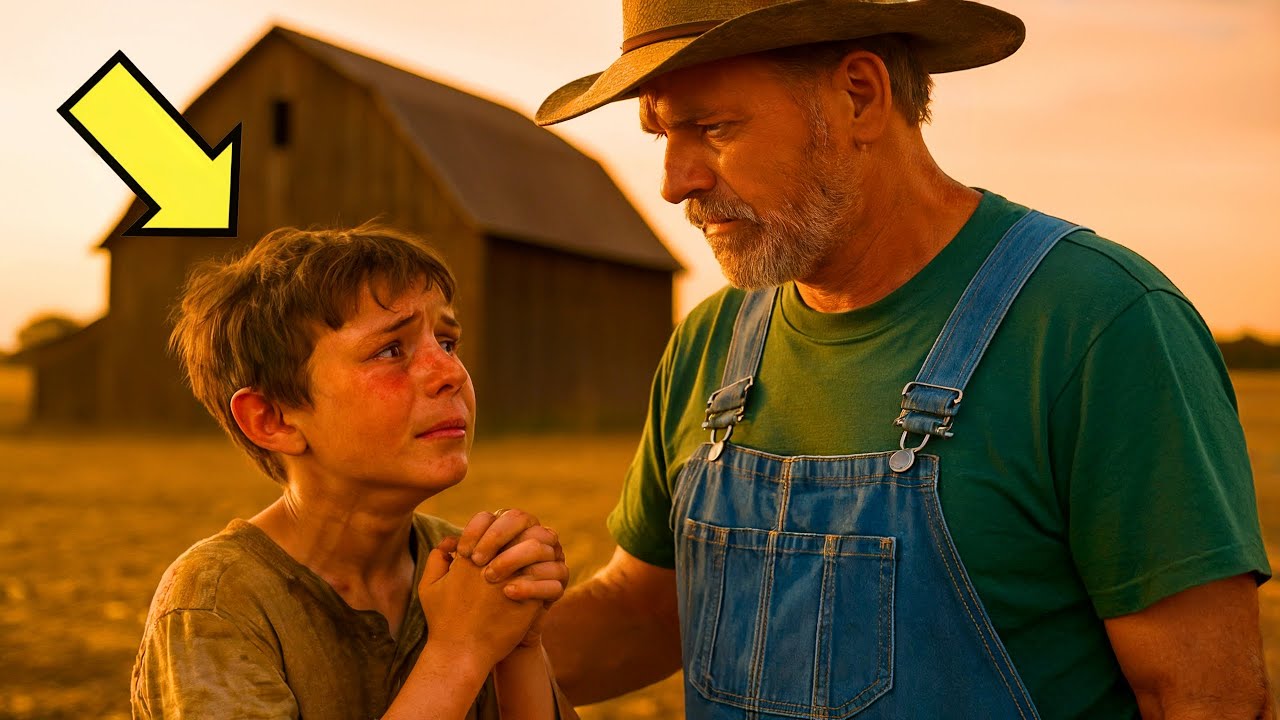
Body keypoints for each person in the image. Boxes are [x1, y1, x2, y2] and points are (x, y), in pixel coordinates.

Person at [530, 1, 1274, 718]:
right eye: (662, 134)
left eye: (712, 128)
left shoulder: (1097, 323)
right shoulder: (710, 342)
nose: (674, 181)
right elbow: (650, 609)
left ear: (859, 96)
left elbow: (1205, 699)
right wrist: (453, 658)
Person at [131, 223, 577, 719]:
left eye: (448, 344)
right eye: (391, 350)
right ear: (273, 419)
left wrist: (518, 645)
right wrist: (459, 653)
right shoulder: (217, 603)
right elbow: (460, 651)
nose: (450, 373)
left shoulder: (467, 572)